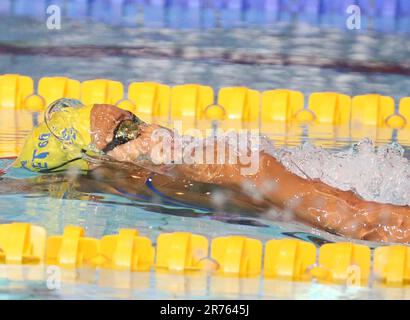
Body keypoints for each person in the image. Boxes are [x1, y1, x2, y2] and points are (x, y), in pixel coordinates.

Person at [15, 99, 410, 243]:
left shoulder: (213, 160)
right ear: (94, 164)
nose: (152, 129)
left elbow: (358, 220)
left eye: (135, 118)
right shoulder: (128, 180)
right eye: (128, 130)